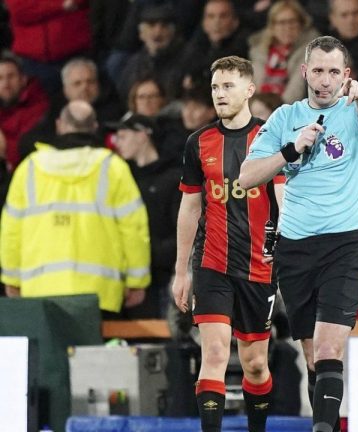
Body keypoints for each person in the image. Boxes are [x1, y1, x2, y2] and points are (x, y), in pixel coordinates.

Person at [239, 35, 358, 432]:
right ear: (304, 72)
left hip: (345, 245)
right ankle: (329, 424)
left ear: (345, 75)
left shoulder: (357, 108)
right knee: (314, 358)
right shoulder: (285, 117)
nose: (325, 79)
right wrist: (288, 151)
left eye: (334, 72)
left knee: (328, 346)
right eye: (317, 70)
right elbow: (246, 176)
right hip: (295, 249)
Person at [171, 55, 283, 432]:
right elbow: (190, 207)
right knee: (215, 351)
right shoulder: (198, 142)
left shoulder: (270, 137)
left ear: (249, 89)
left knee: (255, 364)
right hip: (212, 261)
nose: (219, 94)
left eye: (228, 86)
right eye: (215, 86)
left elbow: (285, 200)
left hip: (259, 264)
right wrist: (181, 271)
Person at [0, 100, 150, 315]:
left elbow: (11, 231)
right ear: (95, 127)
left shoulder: (29, 169)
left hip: (39, 291)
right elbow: (133, 229)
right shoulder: (113, 168)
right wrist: (137, 280)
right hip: (99, 294)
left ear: (60, 125)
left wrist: (12, 278)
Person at [111, 113, 182, 318]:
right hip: (128, 281)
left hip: (162, 280)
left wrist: (148, 254)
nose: (117, 142)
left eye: (123, 136)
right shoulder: (122, 179)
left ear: (142, 135)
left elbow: (184, 232)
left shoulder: (174, 179)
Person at [248, 0, 320, 103]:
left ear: (301, 24)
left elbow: (296, 89)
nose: (287, 28)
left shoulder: (310, 50)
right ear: (272, 27)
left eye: (292, 22)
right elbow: (252, 88)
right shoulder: (260, 51)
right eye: (281, 23)